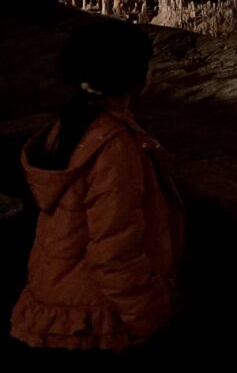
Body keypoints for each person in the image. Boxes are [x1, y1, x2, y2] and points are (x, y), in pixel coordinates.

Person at [9, 19, 184, 361]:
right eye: (148, 62)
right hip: (94, 318)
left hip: (60, 297)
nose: (155, 69)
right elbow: (115, 250)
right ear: (130, 75)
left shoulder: (68, 126)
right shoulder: (114, 147)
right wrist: (149, 313)